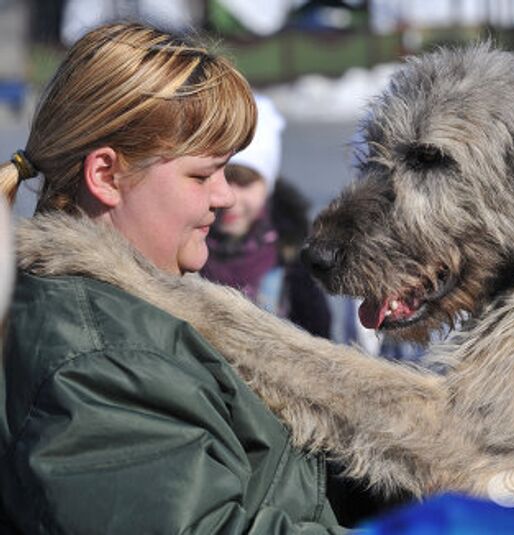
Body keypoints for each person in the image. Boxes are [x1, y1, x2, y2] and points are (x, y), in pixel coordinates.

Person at [0, 23, 346, 534]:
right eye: (202, 175)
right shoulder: (97, 361)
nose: (224, 197)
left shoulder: (135, 313)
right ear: (106, 176)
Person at [201, 96, 332, 338]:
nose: (230, 198)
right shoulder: (185, 248)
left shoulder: (291, 256)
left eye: (245, 183)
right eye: (219, 178)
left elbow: (319, 338)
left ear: (267, 185)